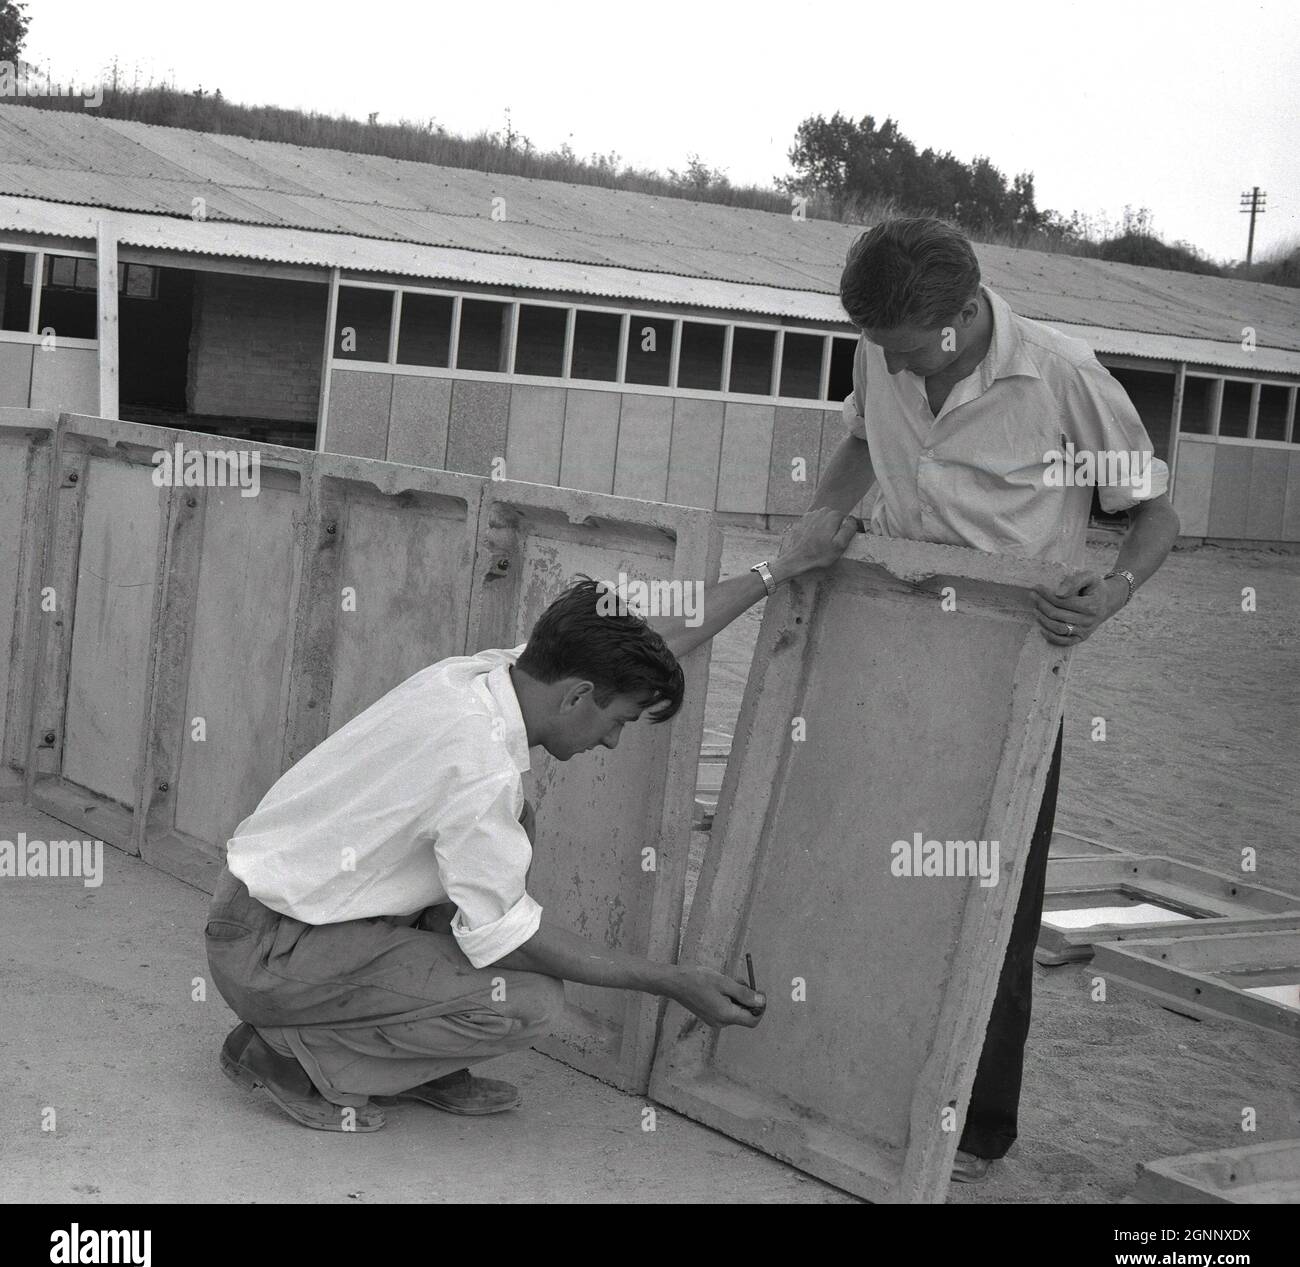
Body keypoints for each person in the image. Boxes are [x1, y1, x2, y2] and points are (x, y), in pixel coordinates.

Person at [206, 508, 855, 1132]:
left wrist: (779, 568)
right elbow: (510, 937)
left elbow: (658, 642)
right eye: (619, 720)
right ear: (576, 695)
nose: (611, 742)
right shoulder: (480, 765)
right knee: (528, 999)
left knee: (516, 826)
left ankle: (393, 1052)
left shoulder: (491, 677)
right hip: (269, 948)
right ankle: (284, 1056)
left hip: (269, 913)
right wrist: (671, 979)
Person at [809, 216, 1180, 1182]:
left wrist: (1113, 593)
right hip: (886, 630)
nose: (893, 365)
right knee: (863, 861)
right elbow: (857, 444)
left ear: (967, 310)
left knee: (991, 892)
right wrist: (818, 520)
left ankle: (974, 1124)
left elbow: (1151, 510)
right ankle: (860, 1074)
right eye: (881, 350)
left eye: (907, 347)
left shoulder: (1061, 376)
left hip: (1008, 653)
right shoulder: (883, 346)